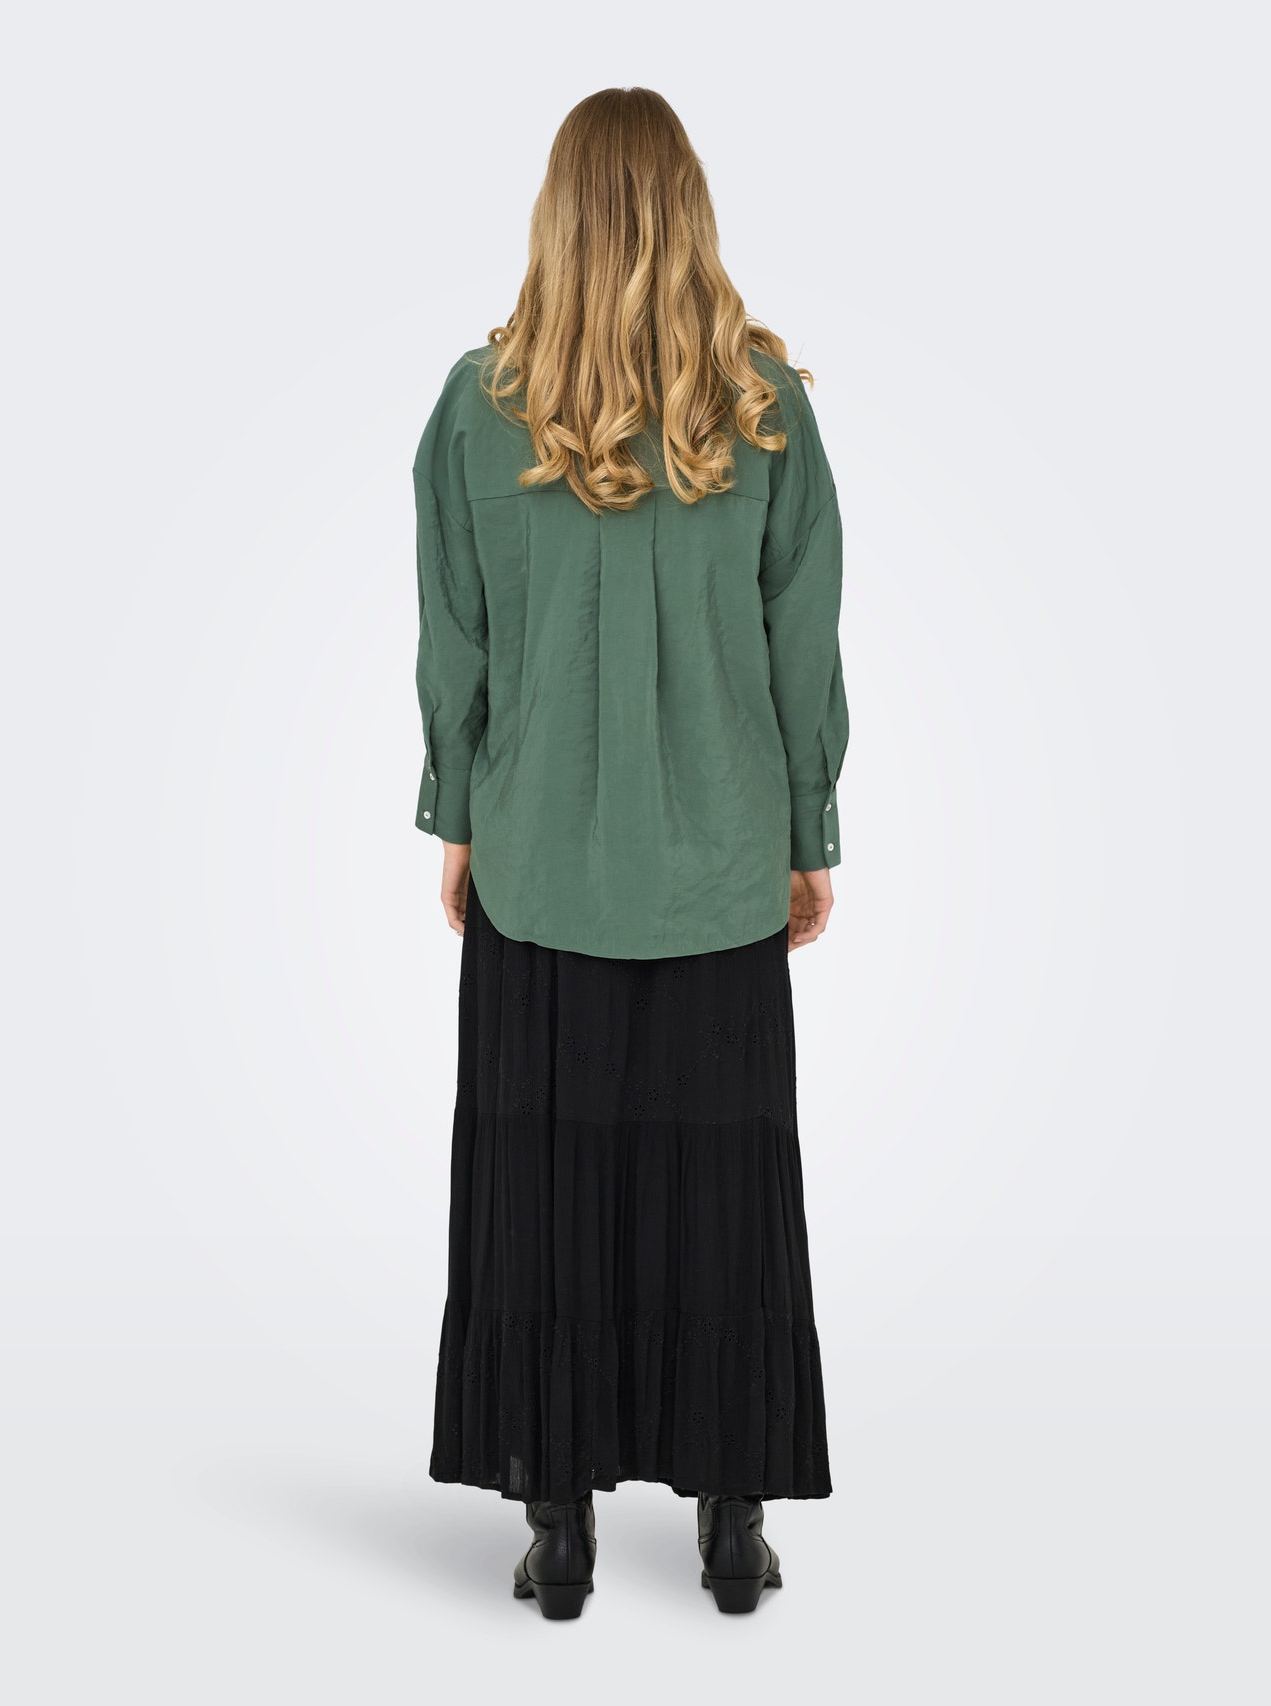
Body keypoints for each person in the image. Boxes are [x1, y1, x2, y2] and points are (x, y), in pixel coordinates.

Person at [411, 86, 849, 1619]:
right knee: (722, 1188)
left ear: (557, 214)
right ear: (690, 213)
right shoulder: (766, 405)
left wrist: (460, 819)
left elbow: (455, 639)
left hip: (540, 865)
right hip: (720, 868)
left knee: (547, 1187)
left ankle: (559, 1524)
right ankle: (731, 1523)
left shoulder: (481, 405)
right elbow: (804, 642)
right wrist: (806, 830)